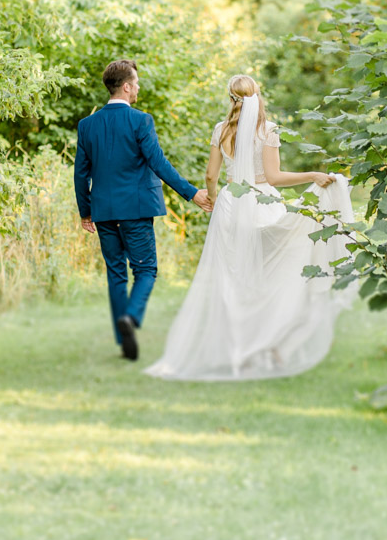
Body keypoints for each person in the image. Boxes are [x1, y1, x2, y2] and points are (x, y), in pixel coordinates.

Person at [144, 74, 357, 381]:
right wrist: (312, 175)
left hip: (231, 206)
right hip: (263, 205)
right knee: (275, 275)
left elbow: (209, 175)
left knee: (234, 281)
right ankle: (267, 343)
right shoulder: (267, 130)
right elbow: (273, 177)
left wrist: (214, 199)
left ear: (231, 98)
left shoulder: (220, 130)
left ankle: (241, 350)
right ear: (257, 96)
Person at [74, 59, 214, 361]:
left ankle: (122, 339)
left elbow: (80, 173)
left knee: (116, 274)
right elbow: (158, 163)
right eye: (135, 82)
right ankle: (132, 318)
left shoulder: (87, 126)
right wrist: (192, 194)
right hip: (136, 210)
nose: (138, 87)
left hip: (103, 211)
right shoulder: (141, 121)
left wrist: (86, 211)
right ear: (126, 86)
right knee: (146, 270)